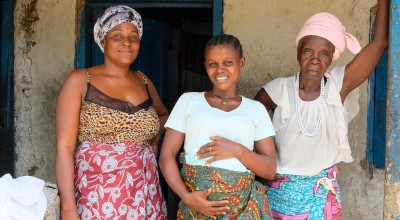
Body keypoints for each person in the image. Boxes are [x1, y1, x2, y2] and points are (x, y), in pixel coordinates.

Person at [254, 0, 389, 219]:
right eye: (308, 51)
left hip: (321, 196)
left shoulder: (338, 85)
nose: (315, 60)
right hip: (277, 196)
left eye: (324, 53)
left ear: (332, 57)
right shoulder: (275, 91)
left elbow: (380, 43)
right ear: (298, 53)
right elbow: (245, 128)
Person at [55, 5, 168, 219]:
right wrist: (68, 208)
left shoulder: (143, 81)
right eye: (117, 36)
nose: (127, 43)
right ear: (103, 40)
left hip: (145, 194)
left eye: (133, 36)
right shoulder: (80, 80)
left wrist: (154, 138)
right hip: (97, 195)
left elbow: (163, 116)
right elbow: (64, 148)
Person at [159, 34, 277, 220]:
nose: (220, 69)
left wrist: (236, 150)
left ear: (242, 62)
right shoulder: (189, 101)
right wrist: (187, 197)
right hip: (196, 209)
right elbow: (166, 156)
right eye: (212, 64)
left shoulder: (255, 109)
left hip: (243, 210)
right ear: (205, 66)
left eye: (228, 62)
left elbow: (269, 169)